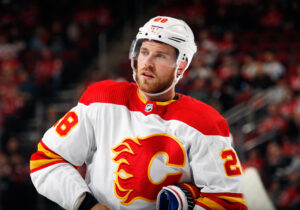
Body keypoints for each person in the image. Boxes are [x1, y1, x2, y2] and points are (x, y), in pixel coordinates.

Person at [30, 16, 247, 210]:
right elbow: (46, 161)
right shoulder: (102, 98)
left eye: (160, 56)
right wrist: (87, 205)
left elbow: (228, 198)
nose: (147, 63)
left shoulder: (205, 121)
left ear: (181, 66)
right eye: (144, 52)